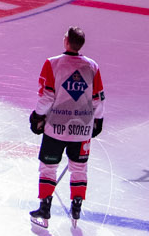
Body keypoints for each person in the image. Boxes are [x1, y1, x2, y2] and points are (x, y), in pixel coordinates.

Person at [28, 26, 101, 225]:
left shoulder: (52, 63)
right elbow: (98, 99)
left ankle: (45, 207)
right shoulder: (92, 66)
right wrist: (98, 121)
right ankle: (76, 206)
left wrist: (37, 116)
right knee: (79, 168)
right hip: (82, 129)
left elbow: (47, 96)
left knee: (48, 167)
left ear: (66, 41)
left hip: (55, 128)